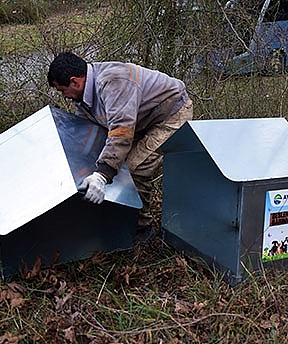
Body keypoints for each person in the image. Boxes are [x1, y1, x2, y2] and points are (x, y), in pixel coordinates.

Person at [47, 52, 193, 243]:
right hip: (140, 120)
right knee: (113, 165)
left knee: (134, 168)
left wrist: (101, 175)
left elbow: (121, 133)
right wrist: (80, 167)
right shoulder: (84, 99)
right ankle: (117, 219)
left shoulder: (114, 81)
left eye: (62, 90)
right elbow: (87, 137)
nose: (64, 96)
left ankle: (141, 226)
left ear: (75, 82)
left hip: (170, 115)